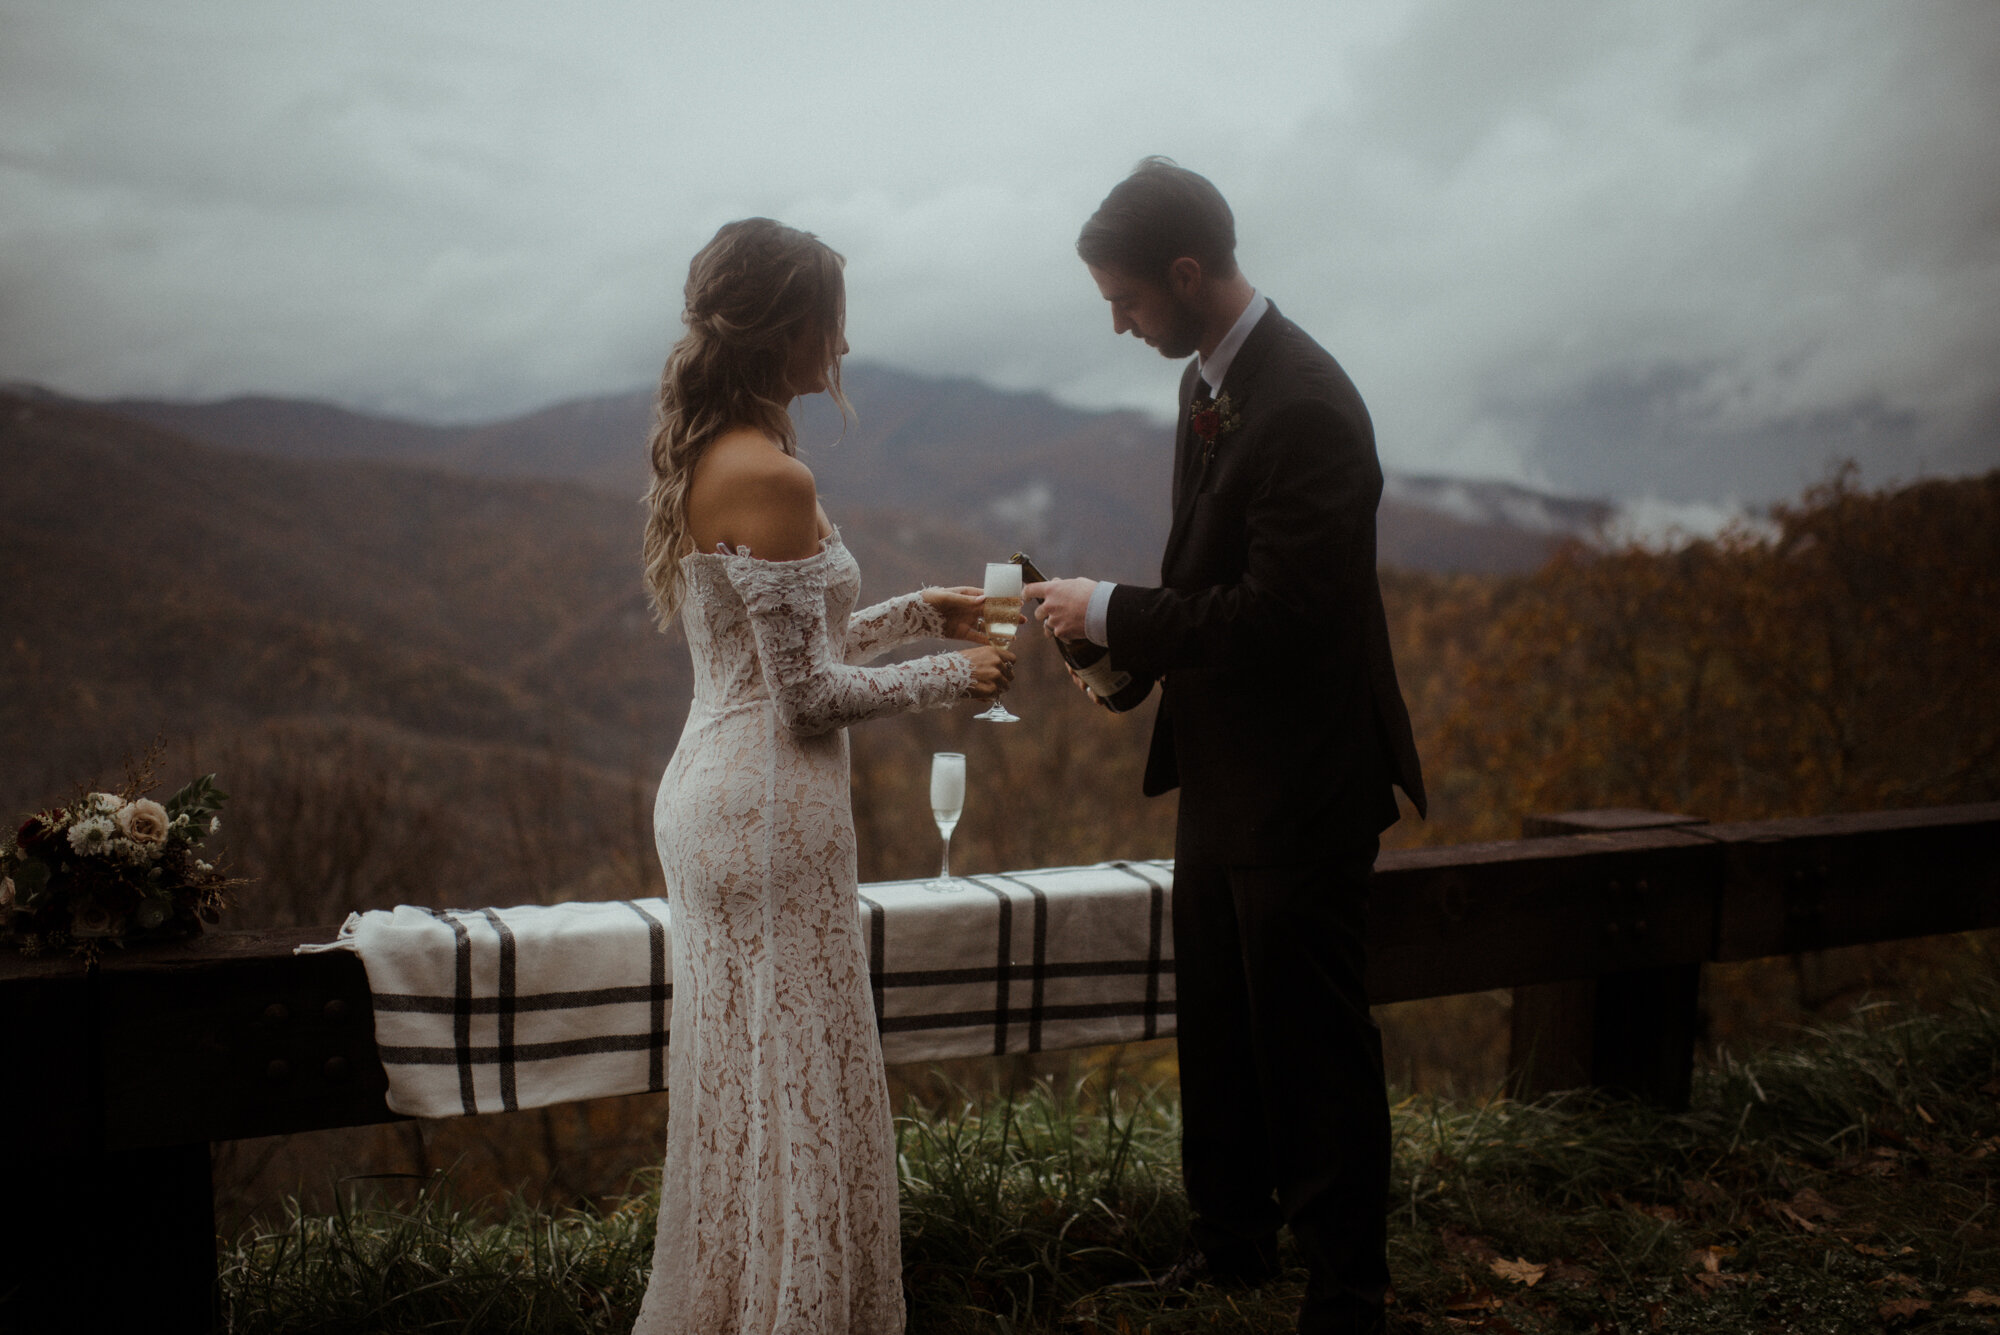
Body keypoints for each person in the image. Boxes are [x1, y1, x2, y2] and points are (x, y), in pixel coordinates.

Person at [1025, 159, 1426, 1335]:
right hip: (1223, 770)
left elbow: (1281, 615)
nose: (1117, 322)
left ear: (1186, 275)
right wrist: (1114, 658)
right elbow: (1212, 576)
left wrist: (1110, 610)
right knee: (1219, 1018)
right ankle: (1233, 1245)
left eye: (1127, 300)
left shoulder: (1302, 402)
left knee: (1311, 1044)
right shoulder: (1211, 381)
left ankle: (1347, 1292)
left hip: (1305, 780)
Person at [633, 217, 1014, 1335]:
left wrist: (908, 614)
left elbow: (785, 653)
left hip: (713, 787)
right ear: (790, 327)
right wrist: (958, 671)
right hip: (766, 807)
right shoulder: (778, 476)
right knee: (798, 1070)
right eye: (831, 320)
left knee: (749, 1082)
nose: (842, 344)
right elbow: (807, 698)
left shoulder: (717, 457)